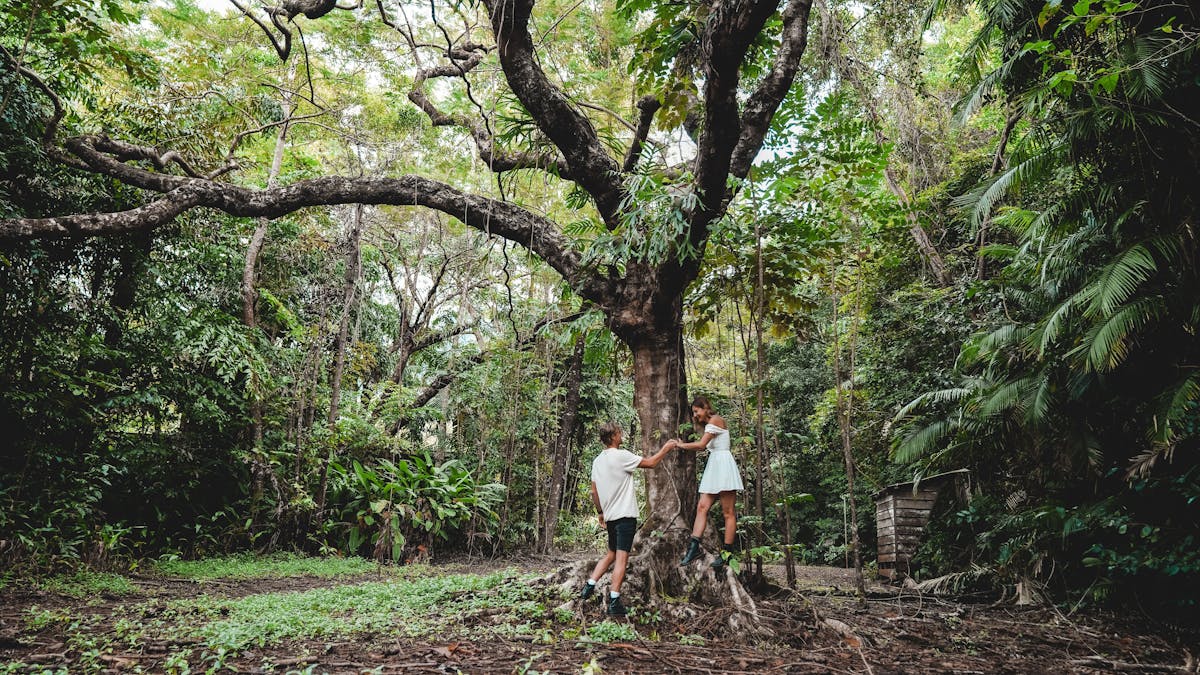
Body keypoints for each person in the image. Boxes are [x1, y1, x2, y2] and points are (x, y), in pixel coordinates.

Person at [580, 421, 675, 616]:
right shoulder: (622, 456)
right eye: (619, 433)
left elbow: (594, 490)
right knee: (621, 558)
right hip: (625, 516)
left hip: (611, 516)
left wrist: (600, 512)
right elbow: (651, 463)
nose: (621, 435)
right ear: (614, 436)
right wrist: (666, 448)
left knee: (611, 554)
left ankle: (589, 586)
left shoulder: (597, 460)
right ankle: (614, 601)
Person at [675, 396, 744, 570]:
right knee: (702, 507)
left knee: (728, 512)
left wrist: (681, 446)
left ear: (705, 407)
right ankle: (694, 547)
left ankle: (727, 554)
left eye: (696, 411)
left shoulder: (716, 420)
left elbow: (701, 445)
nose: (695, 415)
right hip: (714, 466)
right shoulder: (708, 425)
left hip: (723, 465)